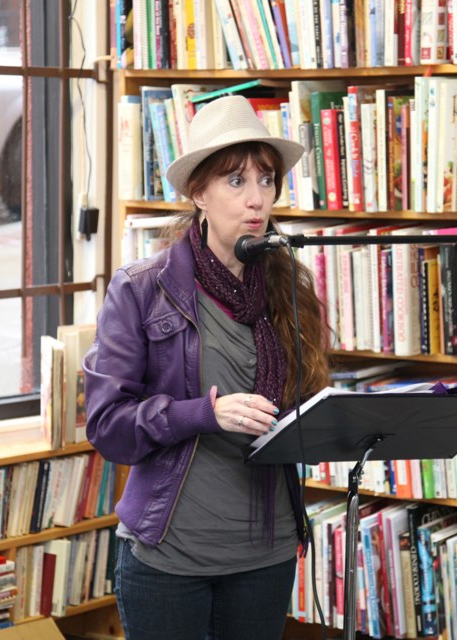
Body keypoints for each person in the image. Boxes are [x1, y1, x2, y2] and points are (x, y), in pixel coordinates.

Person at [83, 95, 330, 640]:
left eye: (266, 180)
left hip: (265, 555)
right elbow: (107, 427)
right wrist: (204, 414)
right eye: (235, 181)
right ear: (198, 192)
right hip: (171, 555)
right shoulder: (142, 288)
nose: (256, 199)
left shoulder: (291, 285)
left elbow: (305, 408)